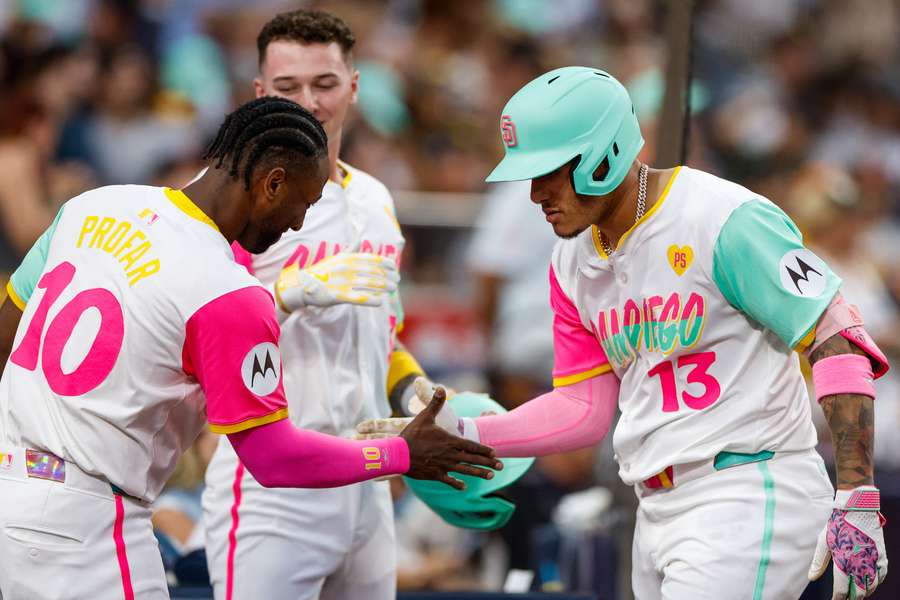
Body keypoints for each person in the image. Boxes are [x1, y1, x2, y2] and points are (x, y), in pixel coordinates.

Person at [362, 67, 890, 599]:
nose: (535, 193)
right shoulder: (572, 258)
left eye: (548, 171)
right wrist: (464, 435)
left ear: (604, 154)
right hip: (655, 506)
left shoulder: (721, 217)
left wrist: (856, 493)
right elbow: (580, 408)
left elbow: (836, 334)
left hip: (747, 487)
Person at [0, 96, 500, 600]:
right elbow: (274, 458)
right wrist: (400, 454)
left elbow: (5, 333)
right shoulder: (229, 292)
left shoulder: (91, 206)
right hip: (87, 526)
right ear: (273, 182)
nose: (300, 224)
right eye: (304, 203)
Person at [202, 10, 455, 600]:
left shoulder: (376, 198)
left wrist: (410, 387)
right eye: (289, 88)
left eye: (325, 84)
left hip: (369, 484)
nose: (309, 103)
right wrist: (287, 294)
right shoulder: (232, 199)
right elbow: (197, 331)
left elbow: (381, 333)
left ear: (355, 86)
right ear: (260, 92)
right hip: (273, 486)